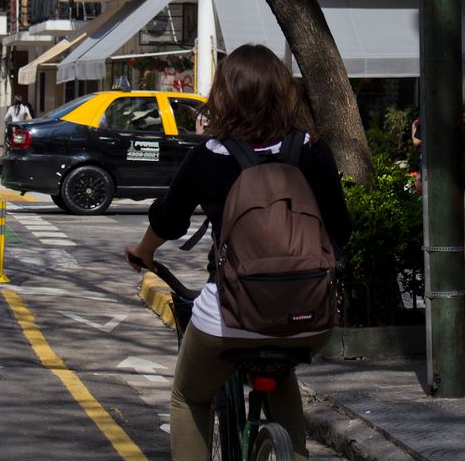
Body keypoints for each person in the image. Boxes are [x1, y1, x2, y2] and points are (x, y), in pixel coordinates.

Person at [124, 44, 352, 461]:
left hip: (229, 317)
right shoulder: (313, 149)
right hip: (309, 317)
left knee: (188, 397)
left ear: (224, 95)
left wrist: (143, 253)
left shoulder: (209, 155)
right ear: (284, 92)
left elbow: (168, 221)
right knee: (281, 371)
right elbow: (342, 229)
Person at [411, 116, 422, 194]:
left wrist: (414, 127)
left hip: (425, 157)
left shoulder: (424, 125)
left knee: (419, 179)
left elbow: (416, 141)